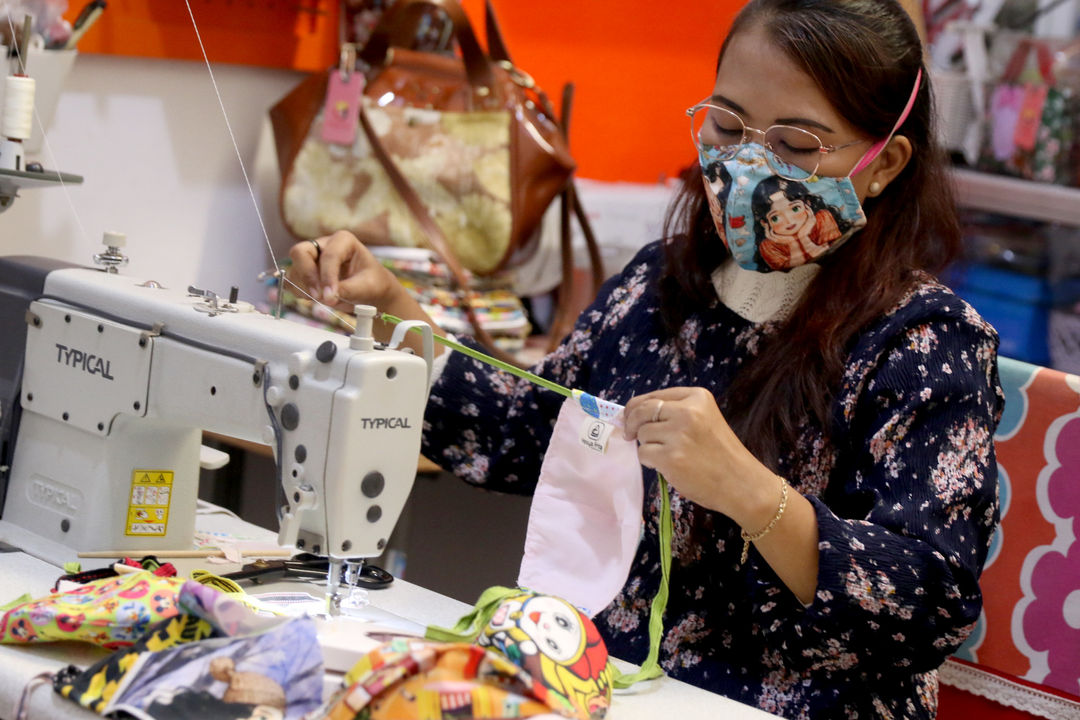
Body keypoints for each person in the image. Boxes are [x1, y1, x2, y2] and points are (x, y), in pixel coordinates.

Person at [286, 0, 1003, 716]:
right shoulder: (660, 284)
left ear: (885, 166)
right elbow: (524, 432)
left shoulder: (927, 345)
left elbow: (929, 604)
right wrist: (397, 316)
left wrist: (750, 494)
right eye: (727, 126)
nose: (748, 165)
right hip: (615, 692)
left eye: (796, 145)